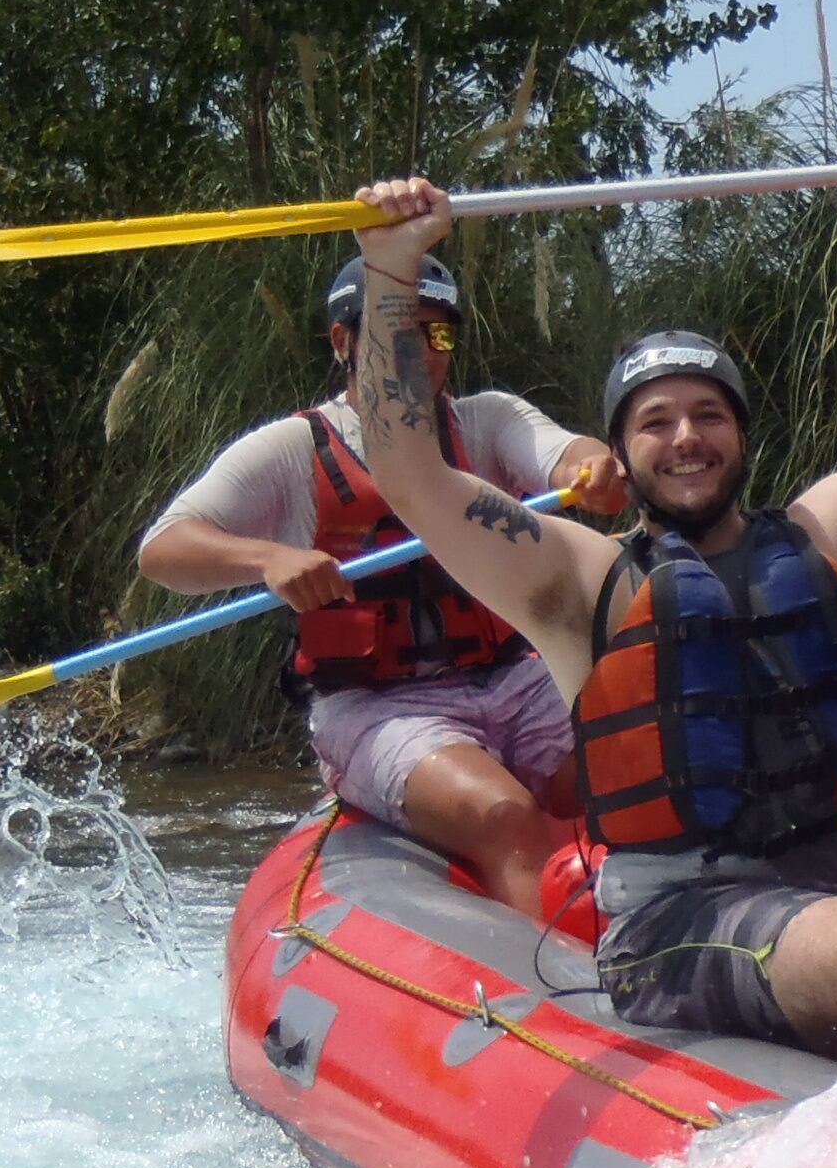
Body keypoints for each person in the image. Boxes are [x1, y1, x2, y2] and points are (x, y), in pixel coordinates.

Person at [326, 175, 837, 1070]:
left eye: (708, 413)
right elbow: (409, 471)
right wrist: (392, 272)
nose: (686, 437)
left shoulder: (834, 532)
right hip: (680, 920)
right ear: (620, 452)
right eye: (654, 423)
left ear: (742, 434)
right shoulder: (580, 580)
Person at [136, 252, 625, 921]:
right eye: (402, 334)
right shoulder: (291, 449)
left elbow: (561, 453)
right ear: (345, 343)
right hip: (379, 707)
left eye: (441, 334)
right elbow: (164, 549)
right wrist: (268, 559)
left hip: (515, 679)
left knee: (622, 781)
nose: (424, 352)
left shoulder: (485, 421)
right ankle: (568, 997)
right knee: (503, 815)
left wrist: (591, 465)